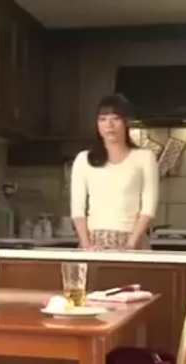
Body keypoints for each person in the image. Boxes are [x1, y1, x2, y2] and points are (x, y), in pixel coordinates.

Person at [69, 94, 159, 251]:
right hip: (94, 244)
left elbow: (149, 208)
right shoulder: (83, 159)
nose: (109, 125)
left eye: (115, 118)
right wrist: (86, 244)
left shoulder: (145, 158)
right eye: (103, 119)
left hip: (133, 241)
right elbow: (78, 208)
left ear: (126, 122)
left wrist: (131, 244)